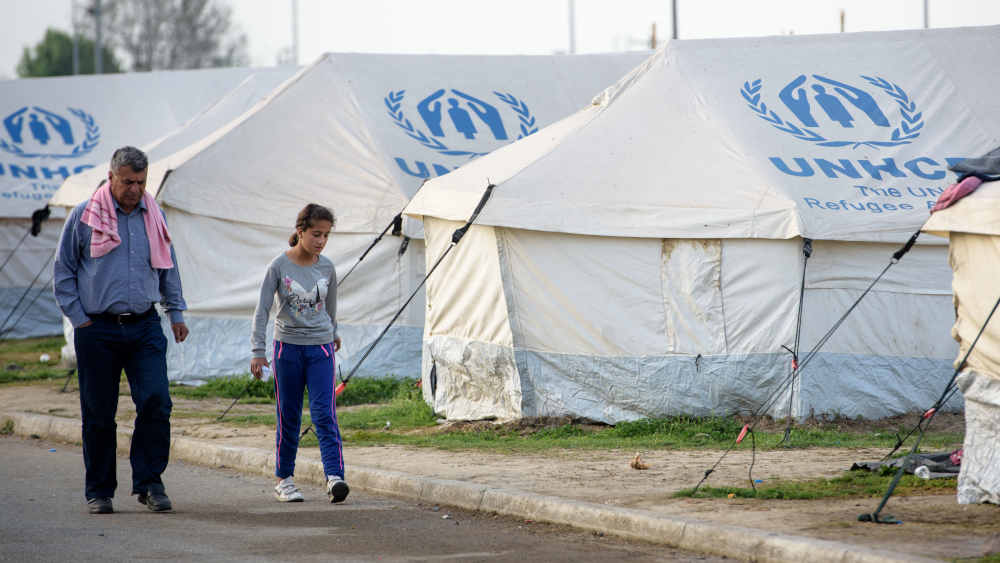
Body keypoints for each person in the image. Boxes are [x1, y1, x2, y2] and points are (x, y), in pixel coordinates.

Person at [53, 146, 189, 515]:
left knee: (157, 401)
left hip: (144, 326)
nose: (135, 188)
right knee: (98, 413)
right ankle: (99, 491)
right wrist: (79, 317)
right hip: (96, 328)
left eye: (141, 182)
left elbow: (168, 268)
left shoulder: (154, 215)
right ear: (111, 176)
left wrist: (175, 312)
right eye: (128, 181)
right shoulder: (84, 216)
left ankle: (149, 482)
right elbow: (63, 272)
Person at [250, 203, 348, 504]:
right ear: (300, 231)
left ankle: (334, 477)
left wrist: (332, 334)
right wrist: (258, 351)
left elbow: (330, 308)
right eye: (316, 234)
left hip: (319, 349)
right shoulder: (279, 266)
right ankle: (285, 479)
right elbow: (262, 310)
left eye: (326, 236)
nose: (320, 241)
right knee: (288, 414)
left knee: (324, 413)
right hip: (286, 349)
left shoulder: (327, 267)